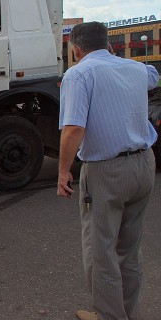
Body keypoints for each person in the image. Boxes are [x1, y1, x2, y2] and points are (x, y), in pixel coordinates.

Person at [57, 22, 158, 320]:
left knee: (101, 253)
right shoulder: (138, 70)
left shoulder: (78, 74)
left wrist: (63, 171)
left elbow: (74, 127)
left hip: (107, 172)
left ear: (76, 50)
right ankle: (128, 313)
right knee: (129, 248)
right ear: (109, 45)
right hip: (143, 164)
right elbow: (153, 77)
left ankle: (110, 317)